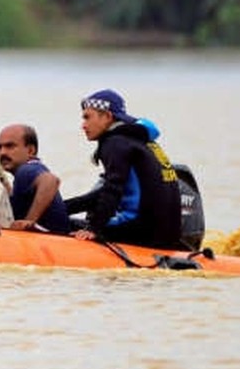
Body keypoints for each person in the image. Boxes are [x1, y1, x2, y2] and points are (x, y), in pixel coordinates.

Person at [65, 89, 183, 249]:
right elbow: (106, 192)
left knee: (60, 222)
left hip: (142, 233)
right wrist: (64, 207)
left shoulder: (114, 143)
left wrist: (94, 229)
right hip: (169, 235)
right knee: (78, 213)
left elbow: (113, 189)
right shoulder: (141, 141)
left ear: (107, 116)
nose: (83, 125)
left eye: (87, 117)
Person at [0, 123, 70, 233]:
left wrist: (29, 221)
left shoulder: (26, 170)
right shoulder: (30, 173)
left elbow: (51, 180)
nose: (2, 152)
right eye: (0, 147)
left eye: (10, 146)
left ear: (31, 150)